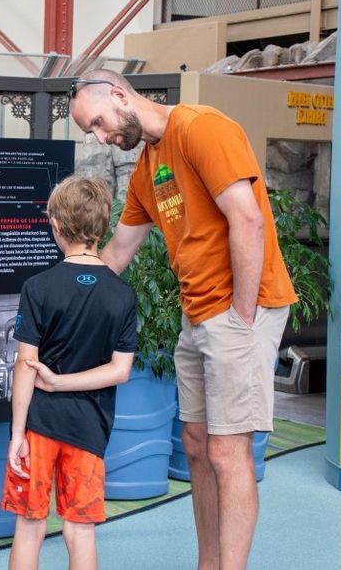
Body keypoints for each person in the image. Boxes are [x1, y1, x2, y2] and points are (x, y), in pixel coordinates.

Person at [68, 69, 297, 570]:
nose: (103, 138)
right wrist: (62, 293)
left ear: (119, 95)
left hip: (242, 310)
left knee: (227, 451)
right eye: (94, 133)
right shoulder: (149, 168)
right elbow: (116, 255)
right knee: (195, 445)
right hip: (198, 314)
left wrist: (240, 316)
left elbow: (249, 219)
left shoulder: (200, 127)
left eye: (100, 123)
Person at [1, 175, 137, 570]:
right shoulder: (122, 295)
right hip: (90, 429)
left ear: (56, 226)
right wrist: (66, 383)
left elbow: (26, 365)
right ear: (101, 228)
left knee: (30, 526)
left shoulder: (37, 287)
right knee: (80, 530)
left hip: (40, 425)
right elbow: (120, 371)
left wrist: (17, 434)